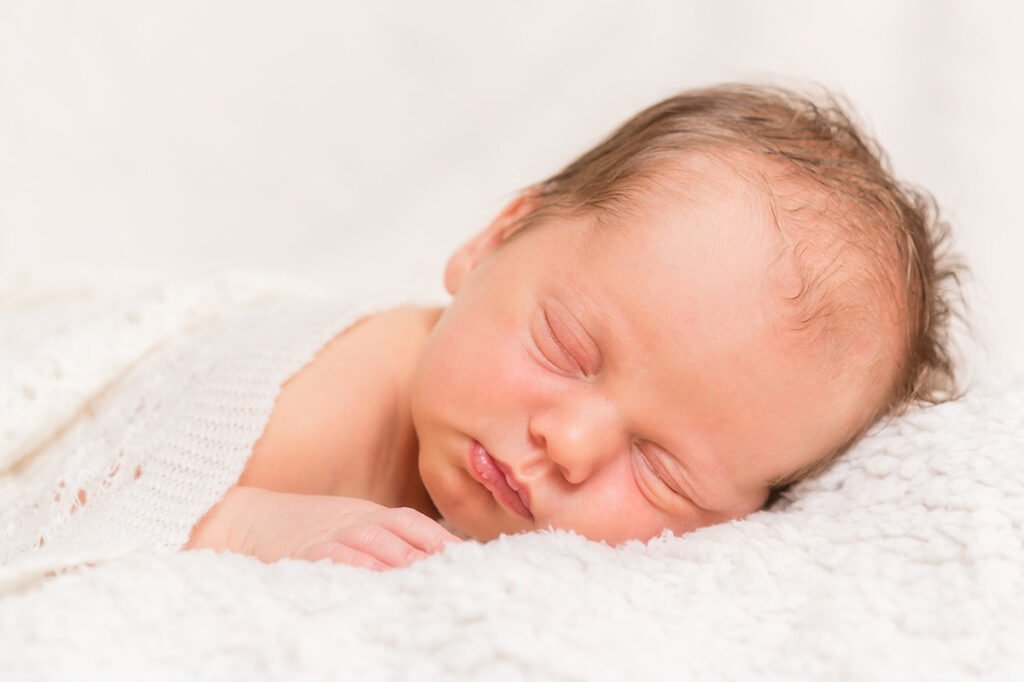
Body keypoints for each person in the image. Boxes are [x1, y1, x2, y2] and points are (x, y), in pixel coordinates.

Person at [186, 83, 963, 571]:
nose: (572, 446)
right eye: (567, 351)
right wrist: (240, 525)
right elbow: (72, 489)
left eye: (661, 469)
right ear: (493, 241)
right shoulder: (314, 404)